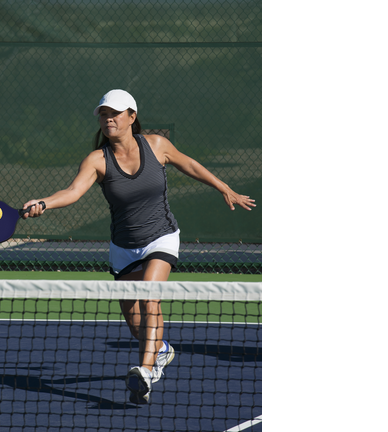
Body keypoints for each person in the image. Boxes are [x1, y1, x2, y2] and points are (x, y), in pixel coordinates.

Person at [21, 89, 255, 404]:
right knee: (135, 325)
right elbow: (73, 192)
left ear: (132, 116)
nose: (108, 120)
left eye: (114, 114)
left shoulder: (156, 145)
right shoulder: (97, 160)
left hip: (161, 236)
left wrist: (224, 187)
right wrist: (44, 203)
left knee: (150, 298)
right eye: (103, 114)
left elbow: (191, 165)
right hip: (123, 248)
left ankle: (145, 371)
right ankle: (161, 351)